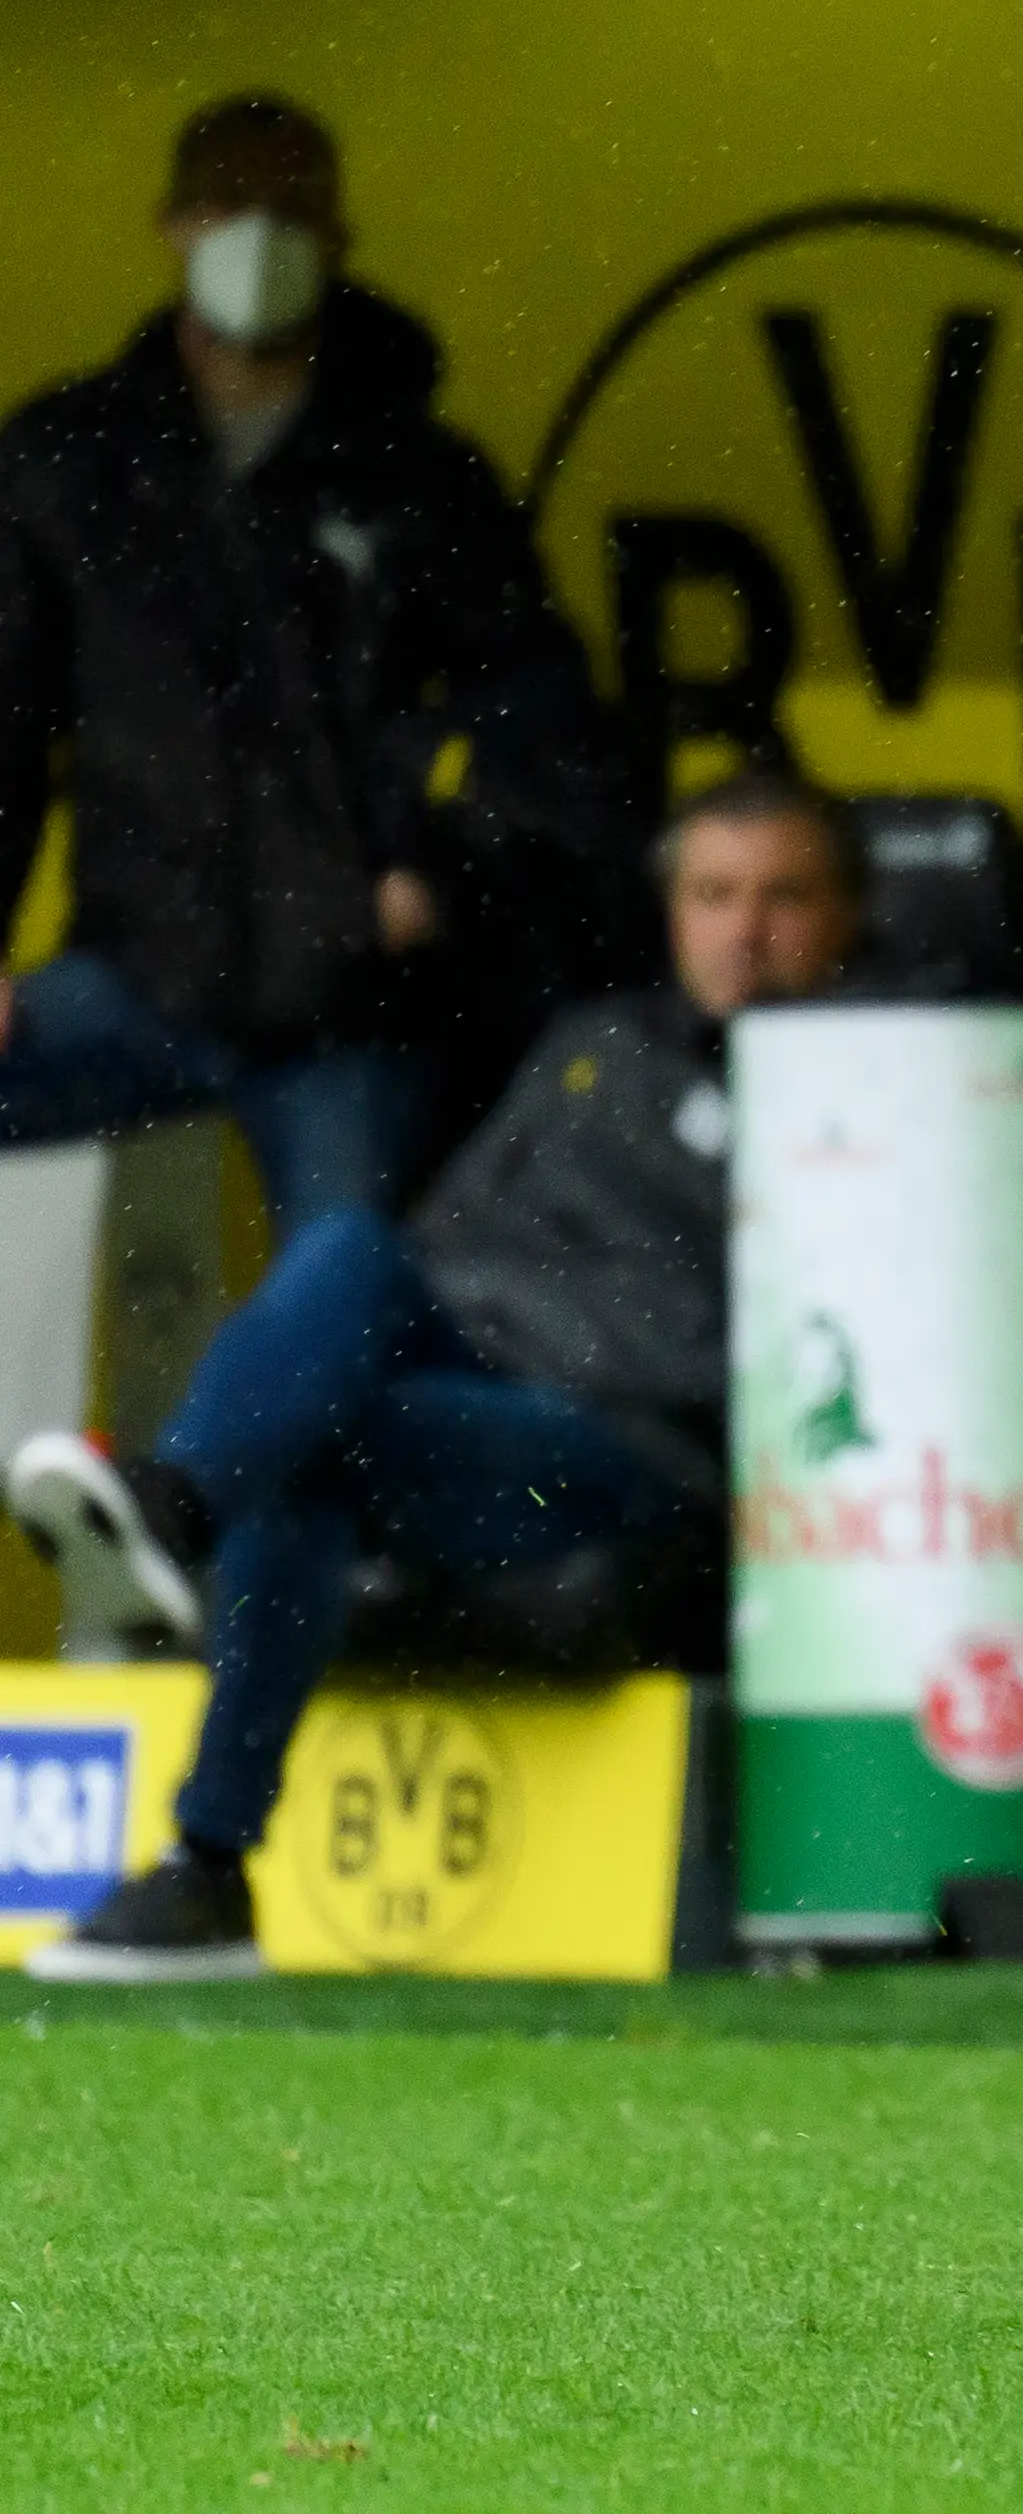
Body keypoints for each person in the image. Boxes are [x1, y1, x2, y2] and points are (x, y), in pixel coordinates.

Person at [7, 773, 857, 1978]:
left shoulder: (875, 1089)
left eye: (785, 898)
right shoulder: (599, 1043)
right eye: (715, 896)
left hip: (623, 1441)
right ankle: (172, 1504)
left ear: (847, 914)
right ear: (672, 910)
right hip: (474, 1365)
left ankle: (207, 1860)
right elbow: (454, 1235)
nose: (746, 931)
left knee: (320, 1454)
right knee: (350, 1247)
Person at [0, 93, 629, 1228]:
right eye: (230, 200)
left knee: (350, 1277)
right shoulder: (69, 461)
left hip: (353, 1003)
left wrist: (438, 878)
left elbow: (538, 715)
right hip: (141, 973)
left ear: (339, 237)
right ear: (172, 223)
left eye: (293, 206)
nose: (259, 230)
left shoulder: (424, 474)